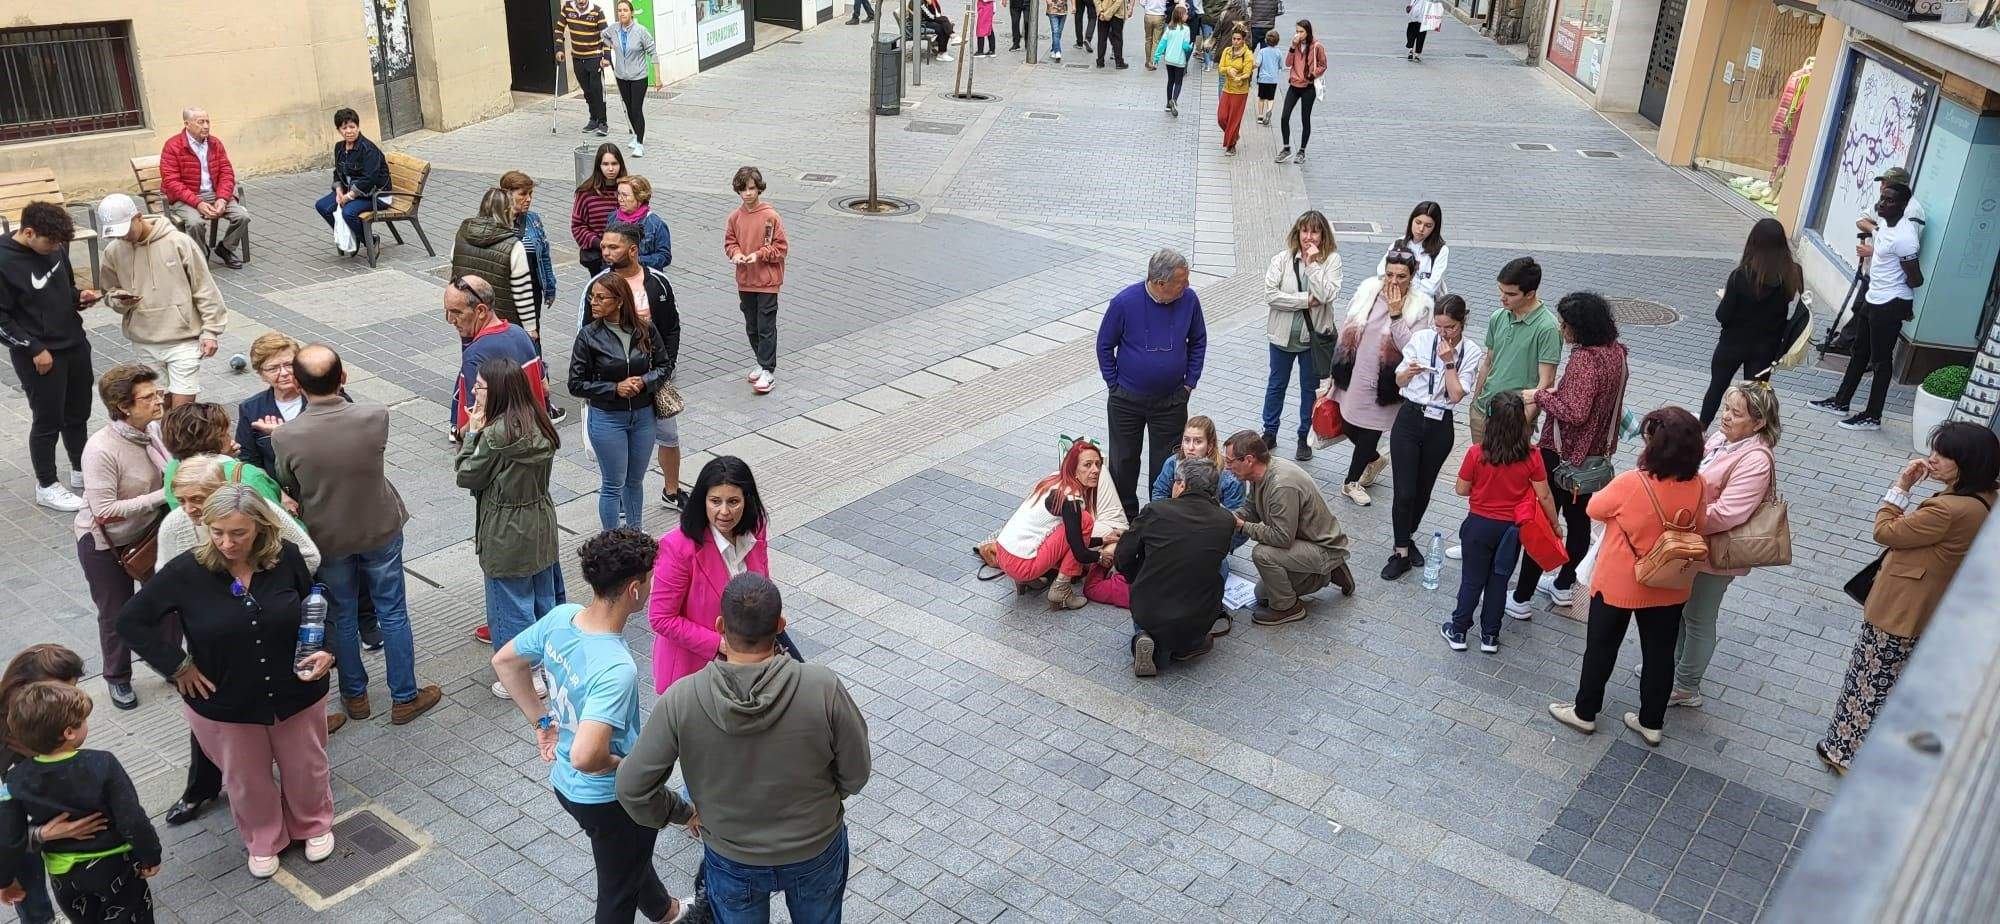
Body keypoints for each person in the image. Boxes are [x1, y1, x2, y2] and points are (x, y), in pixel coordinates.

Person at [617, 573, 871, 924]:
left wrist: (682, 812)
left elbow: (632, 787)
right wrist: (826, 799)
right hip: (815, 847)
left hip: (732, 857)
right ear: (780, 625)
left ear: (720, 626)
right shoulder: (822, 687)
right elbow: (856, 773)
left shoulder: (682, 699)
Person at [119, 484, 338, 878]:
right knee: (245, 779)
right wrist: (178, 666)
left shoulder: (285, 557)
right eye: (217, 532)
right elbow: (130, 621)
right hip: (226, 701)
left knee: (306, 766)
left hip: (296, 690)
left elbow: (318, 607)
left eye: (238, 533)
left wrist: (327, 649)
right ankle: (263, 838)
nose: (226, 543)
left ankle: (313, 823)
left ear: (260, 528)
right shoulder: (185, 571)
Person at [492, 528, 688, 924]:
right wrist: (629, 766)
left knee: (626, 860)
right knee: (617, 893)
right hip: (610, 798)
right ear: (634, 589)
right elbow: (587, 756)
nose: (653, 587)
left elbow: (505, 662)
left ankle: (664, 911)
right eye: (651, 579)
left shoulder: (562, 618)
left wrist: (542, 722)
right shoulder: (616, 667)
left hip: (567, 786)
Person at [271, 344, 442, 725]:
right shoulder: (375, 415)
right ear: (344, 378)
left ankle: (355, 695)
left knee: (342, 615)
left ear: (297, 384)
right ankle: (404, 696)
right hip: (379, 527)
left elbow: (287, 482)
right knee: (392, 612)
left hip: (327, 536)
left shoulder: (284, 436)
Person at [152, 454, 324, 826]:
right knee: (217, 724)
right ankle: (201, 789)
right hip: (214, 641)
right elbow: (158, 591)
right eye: (181, 499)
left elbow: (307, 557)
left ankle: (303, 809)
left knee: (292, 740)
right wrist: (177, 662)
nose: (189, 509)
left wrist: (266, 585)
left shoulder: (259, 513)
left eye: (198, 499)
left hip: (270, 637)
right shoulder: (174, 526)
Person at [1818, 422, 1996, 774]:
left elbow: (1885, 531)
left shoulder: (1948, 510)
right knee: (1893, 684)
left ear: (1968, 463)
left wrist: (1901, 486)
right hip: (1932, 608)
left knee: (1867, 682)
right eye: (1935, 450)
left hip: (1901, 609)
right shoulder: (1987, 499)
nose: (1933, 459)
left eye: (1944, 455)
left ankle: (1843, 755)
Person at [1548, 408, 1708, 747]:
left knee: (1601, 648)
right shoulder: (1698, 485)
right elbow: (1702, 523)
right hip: (1669, 582)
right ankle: (1651, 722)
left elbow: (1594, 509)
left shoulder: (1632, 482)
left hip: (1620, 581)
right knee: (1660, 654)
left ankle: (1585, 712)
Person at [231, 332, 386, 655]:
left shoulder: (325, 394)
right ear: (260, 373)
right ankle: (324, 631)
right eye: (272, 368)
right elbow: (248, 461)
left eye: (289, 364)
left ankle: (367, 619)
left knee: (352, 564)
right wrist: (278, 494)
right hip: (286, 507)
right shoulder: (252, 409)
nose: (283, 373)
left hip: (331, 499)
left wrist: (282, 434)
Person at [0, 681, 160, 920]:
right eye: (83, 720)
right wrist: (150, 854)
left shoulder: (14, 780)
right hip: (115, 865)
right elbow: (132, 819)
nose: (87, 724)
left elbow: (8, 837)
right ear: (69, 732)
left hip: (64, 875)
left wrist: (4, 880)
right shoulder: (103, 763)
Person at [1513, 292, 1627, 616]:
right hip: (1593, 458)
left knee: (1545, 522)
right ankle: (1564, 585)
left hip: (1563, 456)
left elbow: (1575, 413)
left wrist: (1540, 396)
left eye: (1565, 324)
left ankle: (1520, 598)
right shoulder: (1616, 353)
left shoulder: (1585, 360)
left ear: (1581, 327)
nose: (1561, 329)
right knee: (1578, 523)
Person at [458, 357, 564, 699]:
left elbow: (467, 474)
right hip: (541, 519)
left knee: (509, 605)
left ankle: (522, 677)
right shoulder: (539, 421)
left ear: (498, 391)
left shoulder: (494, 434)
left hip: (505, 528)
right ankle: (547, 665)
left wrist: (472, 434)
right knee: (543, 597)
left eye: (479, 386)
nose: (474, 392)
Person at [1670, 383, 1780, 708]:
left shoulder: (1756, 460)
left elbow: (1728, 513)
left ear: (1759, 422)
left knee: (1699, 616)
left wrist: (1681, 517)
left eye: (1736, 413)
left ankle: (1686, 686)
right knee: (1680, 610)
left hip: (1715, 551)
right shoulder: (1723, 438)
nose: (1726, 417)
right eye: (1727, 408)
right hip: (1694, 542)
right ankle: (1672, 669)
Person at [74, 363, 167, 712]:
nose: (158, 400)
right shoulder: (101, 449)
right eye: (148, 397)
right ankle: (117, 676)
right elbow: (104, 510)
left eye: (158, 393)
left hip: (149, 533)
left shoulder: (152, 428)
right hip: (106, 544)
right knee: (116, 613)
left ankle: (169, 662)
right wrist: (162, 496)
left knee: (170, 602)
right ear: (123, 407)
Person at [2, 202, 102, 513]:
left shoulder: (55, 247)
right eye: (51, 242)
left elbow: (64, 290)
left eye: (61, 242)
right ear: (29, 232)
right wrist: (33, 348)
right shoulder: (4, 261)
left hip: (74, 343)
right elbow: (2, 320)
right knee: (48, 420)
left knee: (78, 413)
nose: (57, 248)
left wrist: (80, 298)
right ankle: (46, 485)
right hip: (39, 356)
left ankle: (81, 468)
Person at [648, 455, 778, 694]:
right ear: (702, 500)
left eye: (733, 502)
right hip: (694, 674)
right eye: (715, 501)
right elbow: (661, 618)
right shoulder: (678, 547)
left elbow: (763, 586)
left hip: (749, 667)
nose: (724, 512)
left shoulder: (756, 526)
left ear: (747, 500)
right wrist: (722, 645)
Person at [1441, 393, 1555, 653]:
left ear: (1490, 421)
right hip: (1511, 531)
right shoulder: (1532, 456)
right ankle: (1490, 636)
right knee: (1499, 582)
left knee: (1472, 580)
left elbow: (1461, 489)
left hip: (1478, 526)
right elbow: (1545, 495)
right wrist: (1555, 525)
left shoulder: (1476, 453)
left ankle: (1458, 631)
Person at [0, 644, 107, 924]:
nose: (68, 703)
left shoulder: (43, 717)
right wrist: (40, 835)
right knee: (25, 883)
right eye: (60, 693)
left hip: (21, 819)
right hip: (9, 833)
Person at [1098, 250, 1206, 519]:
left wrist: (1189, 383)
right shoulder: (1124, 302)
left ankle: (1158, 517)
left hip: (1171, 400)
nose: (1187, 285)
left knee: (1166, 464)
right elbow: (1104, 345)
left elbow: (1198, 341)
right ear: (1160, 283)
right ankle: (1124, 518)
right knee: (1123, 461)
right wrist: (1113, 384)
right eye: (1181, 281)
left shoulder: (1189, 300)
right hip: (1126, 399)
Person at [94, 192, 227, 410]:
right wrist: (119, 300)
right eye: (116, 233)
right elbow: (109, 292)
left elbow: (204, 288)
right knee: (158, 411)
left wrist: (211, 331)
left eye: (125, 229)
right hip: (144, 340)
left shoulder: (178, 242)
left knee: (181, 411)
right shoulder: (113, 251)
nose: (123, 236)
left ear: (138, 217)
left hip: (183, 338)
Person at [586, 224, 685, 506]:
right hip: (617, 384)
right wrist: (606, 383)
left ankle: (672, 492)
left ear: (632, 250)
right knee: (620, 441)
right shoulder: (598, 286)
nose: (606, 252)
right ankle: (619, 496)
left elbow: (671, 327)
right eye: (604, 247)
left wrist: (666, 368)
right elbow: (587, 335)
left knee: (669, 436)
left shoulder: (658, 282)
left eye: (613, 247)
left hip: (654, 377)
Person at [1384, 293, 1481, 579]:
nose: (1443, 333)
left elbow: (1456, 394)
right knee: (1404, 490)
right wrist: (1409, 373)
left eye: (1450, 327)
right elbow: (1398, 379)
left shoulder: (1471, 351)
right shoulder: (1422, 338)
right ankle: (1400, 551)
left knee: (1423, 489)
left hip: (1440, 422)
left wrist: (1449, 362)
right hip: (1410, 416)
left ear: (1462, 322)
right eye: (1439, 326)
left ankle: (1407, 535)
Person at [1812, 183, 1921, 432]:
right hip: (1873, 298)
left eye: (1890, 200)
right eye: (1882, 198)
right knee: (1859, 352)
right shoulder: (1883, 226)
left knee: (1881, 361)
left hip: (1890, 304)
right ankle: (1841, 402)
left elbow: (1916, 279)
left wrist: (1896, 293)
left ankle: (1873, 416)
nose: (1882, 204)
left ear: (1903, 206)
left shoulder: (1906, 238)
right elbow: (1874, 232)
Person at [1329, 249, 1433, 505]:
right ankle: (1373, 459)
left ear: (1412, 276)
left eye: (1401, 276)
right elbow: (1347, 326)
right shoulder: (1369, 289)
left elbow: (1413, 348)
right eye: (1389, 274)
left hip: (1387, 381)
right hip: (1354, 370)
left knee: (1370, 430)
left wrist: (1396, 315)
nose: (1394, 281)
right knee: (1347, 423)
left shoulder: (1421, 306)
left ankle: (1351, 482)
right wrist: (1335, 369)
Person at [571, 273, 673, 530]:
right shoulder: (588, 336)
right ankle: (611, 540)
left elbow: (664, 366)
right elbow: (576, 383)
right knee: (613, 483)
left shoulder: (645, 329)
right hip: (607, 418)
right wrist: (615, 388)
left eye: (600, 298)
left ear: (619, 301)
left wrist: (645, 381)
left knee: (634, 481)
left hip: (643, 415)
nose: (593, 303)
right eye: (592, 297)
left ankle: (635, 534)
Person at [1223, 431, 1355, 625]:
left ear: (1249, 460)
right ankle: (1329, 572)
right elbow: (1251, 507)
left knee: (1262, 554)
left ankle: (1288, 608)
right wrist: (1231, 518)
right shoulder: (1260, 473)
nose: (1227, 467)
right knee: (1262, 595)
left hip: (1321, 547)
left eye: (1229, 461)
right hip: (1303, 542)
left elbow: (1282, 538)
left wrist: (1243, 527)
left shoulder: (1281, 486)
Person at [1121, 458, 1236, 676]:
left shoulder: (1155, 510)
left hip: (1150, 606)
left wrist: (1137, 577)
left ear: (1181, 485)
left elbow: (1123, 556)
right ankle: (1186, 643)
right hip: (1199, 613)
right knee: (1222, 566)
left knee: (1154, 582)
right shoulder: (1225, 520)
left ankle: (1144, 636)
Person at [993, 440, 1118, 609]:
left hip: (1002, 553)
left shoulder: (1054, 479)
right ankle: (1061, 590)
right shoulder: (1071, 500)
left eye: (1098, 464)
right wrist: (1101, 557)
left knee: (1075, 524)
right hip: (1021, 564)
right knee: (1085, 520)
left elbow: (1071, 536)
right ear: (1073, 469)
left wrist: (1103, 540)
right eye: (1087, 465)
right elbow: (1080, 552)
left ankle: (1025, 581)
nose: (1095, 470)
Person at [1700, 219, 1800, 426]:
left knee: (1717, 387)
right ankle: (1751, 435)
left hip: (1733, 343)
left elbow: (1722, 315)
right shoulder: (1792, 272)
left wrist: (1727, 298)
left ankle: (1701, 429)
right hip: (1767, 347)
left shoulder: (1740, 276)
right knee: (1755, 398)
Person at [1262, 210, 1343, 459]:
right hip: (1282, 337)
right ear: (1297, 233)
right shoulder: (1282, 259)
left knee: (1310, 390)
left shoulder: (1332, 261)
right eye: (1304, 231)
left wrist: (1313, 265)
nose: (1309, 237)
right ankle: (1269, 432)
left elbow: (1327, 294)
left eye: (1314, 232)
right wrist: (1305, 301)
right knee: (1276, 385)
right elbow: (1270, 295)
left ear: (1323, 235)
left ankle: (1304, 437)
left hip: (1314, 340)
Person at [1469, 257, 1558, 445]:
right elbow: (1488, 362)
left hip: (1514, 419)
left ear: (1530, 294)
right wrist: (1475, 403)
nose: (1502, 297)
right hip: (1482, 412)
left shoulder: (1547, 327)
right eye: (1500, 290)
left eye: (1510, 294)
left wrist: (1523, 422)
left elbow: (1546, 381)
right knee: (1478, 463)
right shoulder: (1498, 317)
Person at [447, 276, 548, 439]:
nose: (450, 320)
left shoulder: (474, 355)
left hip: (497, 448)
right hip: (535, 439)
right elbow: (544, 387)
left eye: (456, 312)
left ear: (480, 311)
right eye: (447, 311)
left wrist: (459, 435)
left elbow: (477, 419)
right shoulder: (521, 333)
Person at [159, 107, 250, 267]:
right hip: (185, 198)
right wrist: (198, 203)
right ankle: (201, 254)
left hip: (214, 194)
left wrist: (222, 199)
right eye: (200, 122)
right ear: (187, 124)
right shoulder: (173, 146)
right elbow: (172, 182)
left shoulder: (215, 144)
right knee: (195, 223)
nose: (206, 126)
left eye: (207, 121)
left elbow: (226, 173)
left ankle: (225, 249)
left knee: (242, 217)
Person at [726, 166, 788, 396]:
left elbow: (781, 248)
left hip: (768, 281)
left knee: (766, 326)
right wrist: (736, 254)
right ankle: (761, 362)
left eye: (752, 188)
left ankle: (768, 369)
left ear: (759, 189)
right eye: (743, 189)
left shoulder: (771, 216)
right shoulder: (735, 217)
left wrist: (760, 255)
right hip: (746, 280)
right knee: (752, 325)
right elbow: (730, 242)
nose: (748, 193)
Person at [158, 403, 281, 511]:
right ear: (219, 438)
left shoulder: (173, 468)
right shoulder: (248, 475)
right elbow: (277, 516)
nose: (230, 436)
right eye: (226, 433)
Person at [450, 188, 539, 336]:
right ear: (506, 212)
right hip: (502, 324)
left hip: (469, 319)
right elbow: (522, 291)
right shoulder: (514, 246)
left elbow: (455, 274)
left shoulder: (461, 236)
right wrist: (530, 328)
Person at [313, 108, 390, 255]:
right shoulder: (339, 148)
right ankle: (352, 236)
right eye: (344, 128)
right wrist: (338, 190)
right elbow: (337, 173)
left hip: (376, 195)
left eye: (352, 127)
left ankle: (370, 241)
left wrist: (348, 197)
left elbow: (369, 179)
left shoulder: (368, 149)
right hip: (352, 192)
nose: (349, 131)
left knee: (348, 213)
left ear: (358, 127)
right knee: (322, 206)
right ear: (339, 130)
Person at [498, 171, 559, 332]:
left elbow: (544, 254)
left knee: (531, 334)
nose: (529, 199)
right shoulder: (494, 222)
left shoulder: (533, 219)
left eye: (530, 194)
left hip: (531, 291)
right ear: (507, 194)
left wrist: (550, 287)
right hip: (504, 293)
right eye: (523, 194)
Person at [1150, 416, 1247, 513]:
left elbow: (1233, 514)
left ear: (1210, 446)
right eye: (1187, 440)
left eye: (1198, 441)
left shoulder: (1230, 476)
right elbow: (1159, 493)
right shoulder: (1173, 463)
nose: (1190, 447)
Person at [556, 0, 612, 136]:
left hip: (594, 57)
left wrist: (607, 57)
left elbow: (606, 36)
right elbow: (559, 30)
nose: (581, 1)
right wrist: (559, 49)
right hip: (577, 57)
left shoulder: (597, 11)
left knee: (597, 90)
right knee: (587, 91)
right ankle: (593, 119)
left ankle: (602, 122)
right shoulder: (567, 8)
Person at [571, 144, 627, 276]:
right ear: (598, 166)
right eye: (605, 164)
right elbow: (577, 226)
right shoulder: (586, 193)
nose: (611, 169)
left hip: (625, 256)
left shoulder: (628, 190)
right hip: (598, 257)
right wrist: (599, 243)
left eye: (614, 163)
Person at [608, 1, 656, 157]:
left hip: (639, 77)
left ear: (632, 13)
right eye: (619, 10)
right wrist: (611, 47)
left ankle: (640, 144)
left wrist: (658, 77)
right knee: (629, 108)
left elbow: (653, 52)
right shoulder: (614, 29)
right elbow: (603, 36)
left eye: (625, 10)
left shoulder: (640, 31)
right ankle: (636, 135)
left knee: (636, 108)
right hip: (622, 76)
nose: (622, 13)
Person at [1275, 20, 1326, 165]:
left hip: (1308, 87)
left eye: (1301, 32)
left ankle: (1302, 151)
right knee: (1284, 116)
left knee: (1305, 118)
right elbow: (1287, 63)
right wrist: (1292, 47)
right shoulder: (1296, 45)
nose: (1298, 34)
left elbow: (1323, 64)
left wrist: (1313, 74)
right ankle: (1286, 148)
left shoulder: (1317, 46)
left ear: (1308, 32)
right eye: (1297, 31)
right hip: (1294, 85)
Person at [1378, 201, 1448, 300]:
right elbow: (1381, 271)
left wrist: (1404, 283)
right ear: (1411, 220)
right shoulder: (1399, 243)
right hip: (1397, 298)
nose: (1421, 229)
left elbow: (1431, 287)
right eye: (1418, 222)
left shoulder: (1440, 250)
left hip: (1424, 301)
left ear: (1435, 228)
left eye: (1428, 226)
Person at [613, 176, 673, 270]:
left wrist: (636, 261)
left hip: (644, 275)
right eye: (618, 194)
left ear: (640, 198)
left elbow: (665, 256)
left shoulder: (656, 224)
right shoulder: (613, 217)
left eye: (625, 195)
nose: (620, 199)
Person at [1216, 26, 1252, 153]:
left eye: (1238, 39)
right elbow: (1221, 68)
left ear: (1243, 40)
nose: (1235, 41)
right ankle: (1234, 135)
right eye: (1234, 39)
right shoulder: (1227, 51)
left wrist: (1239, 77)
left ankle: (1231, 145)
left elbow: (1247, 73)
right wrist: (1228, 69)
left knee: (1234, 119)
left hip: (1240, 91)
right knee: (1221, 117)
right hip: (1227, 88)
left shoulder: (1247, 54)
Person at [1153, 6, 1193, 115]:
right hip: (1179, 60)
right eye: (1186, 14)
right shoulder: (1186, 29)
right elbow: (1185, 46)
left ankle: (1168, 104)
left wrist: (1156, 57)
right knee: (1178, 82)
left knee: (1170, 81)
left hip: (1169, 59)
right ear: (1181, 16)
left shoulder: (1169, 28)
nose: (1187, 15)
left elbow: (1162, 43)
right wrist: (1190, 47)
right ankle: (1174, 100)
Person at [1252, 28, 1282, 125]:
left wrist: (1251, 67)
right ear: (1277, 41)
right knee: (1270, 98)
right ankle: (1269, 111)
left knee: (1261, 98)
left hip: (1263, 79)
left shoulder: (1262, 51)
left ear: (1265, 40)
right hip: (1273, 79)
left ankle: (1260, 116)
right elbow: (1280, 65)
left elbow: (1258, 63)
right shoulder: (1278, 52)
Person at [1096, 0, 1130, 68]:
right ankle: (1119, 62)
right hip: (1116, 14)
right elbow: (1118, 2)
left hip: (1103, 13)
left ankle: (1100, 62)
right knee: (1117, 39)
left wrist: (1100, 10)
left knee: (1102, 38)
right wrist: (1106, 13)